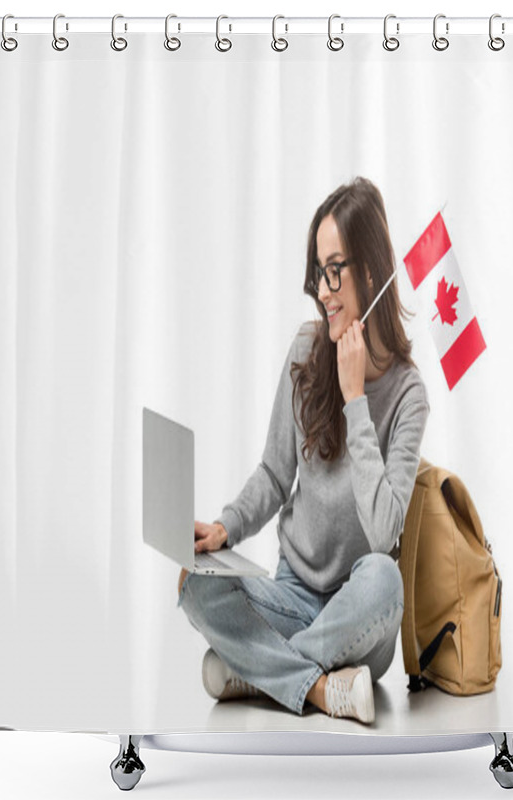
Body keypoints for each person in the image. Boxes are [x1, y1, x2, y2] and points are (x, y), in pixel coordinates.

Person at [178, 177, 430, 724]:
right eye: (319, 271)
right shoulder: (305, 347)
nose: (323, 289)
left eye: (335, 269)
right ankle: (319, 690)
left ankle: (256, 672)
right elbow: (274, 472)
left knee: (385, 580)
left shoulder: (410, 396)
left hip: (361, 619)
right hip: (292, 597)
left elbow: (386, 533)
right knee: (195, 584)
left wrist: (356, 399)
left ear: (369, 271)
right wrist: (226, 528)